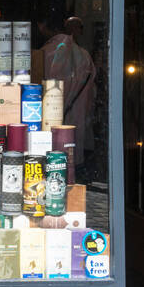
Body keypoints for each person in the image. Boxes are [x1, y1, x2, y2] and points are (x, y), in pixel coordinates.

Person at [39, 10, 96, 169]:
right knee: (71, 166)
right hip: (78, 124)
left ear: (43, 27)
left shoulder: (45, 54)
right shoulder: (84, 55)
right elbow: (92, 94)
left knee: (52, 166)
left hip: (50, 124)